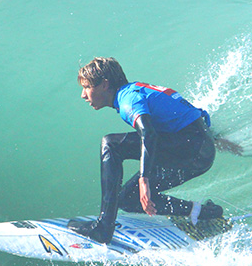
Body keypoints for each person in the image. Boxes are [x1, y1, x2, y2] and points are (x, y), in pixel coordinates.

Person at [68, 57, 223, 244]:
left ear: (104, 85)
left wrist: (144, 179)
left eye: (87, 87)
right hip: (197, 150)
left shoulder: (127, 100)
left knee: (111, 144)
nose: (83, 95)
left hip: (190, 150)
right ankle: (202, 212)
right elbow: (189, 114)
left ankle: (103, 228)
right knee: (128, 199)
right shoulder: (137, 89)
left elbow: (148, 133)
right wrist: (213, 140)